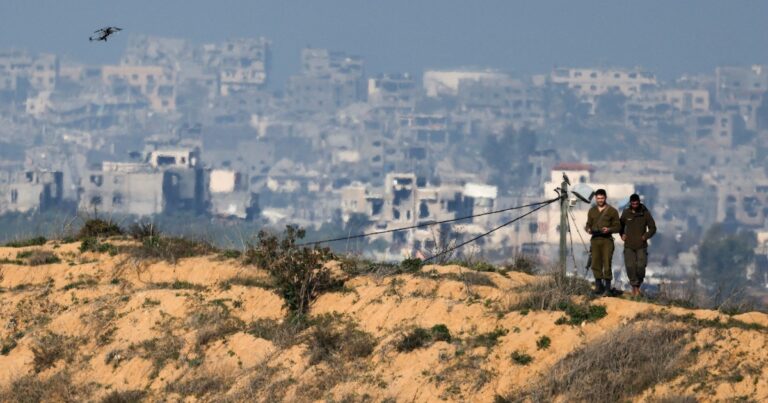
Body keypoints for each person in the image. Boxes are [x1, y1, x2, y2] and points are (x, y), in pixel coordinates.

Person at [585, 188, 621, 296]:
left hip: (607, 240)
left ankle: (608, 288)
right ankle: (598, 287)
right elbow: (588, 224)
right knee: (595, 263)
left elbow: (618, 227)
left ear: (605, 198)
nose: (600, 200)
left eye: (602, 198)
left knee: (607, 263)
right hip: (595, 240)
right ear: (595, 199)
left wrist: (609, 229)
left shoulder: (612, 211)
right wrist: (588, 229)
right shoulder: (592, 211)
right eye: (598, 198)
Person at [620, 194, 656, 297]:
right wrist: (621, 234)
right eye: (633, 203)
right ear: (630, 203)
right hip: (629, 245)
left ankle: (638, 285)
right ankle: (634, 288)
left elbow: (653, 228)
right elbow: (620, 225)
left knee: (641, 266)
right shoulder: (626, 213)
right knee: (630, 266)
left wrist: (646, 236)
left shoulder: (645, 213)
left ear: (639, 202)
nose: (635, 205)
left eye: (636, 203)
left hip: (641, 245)